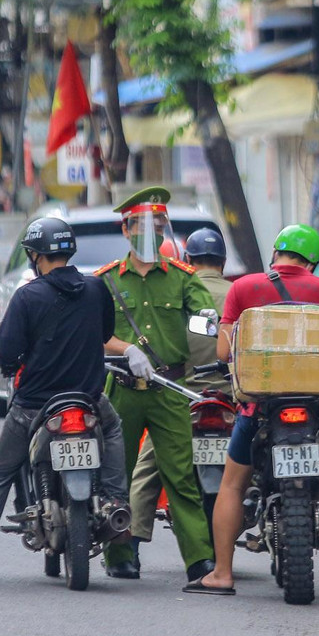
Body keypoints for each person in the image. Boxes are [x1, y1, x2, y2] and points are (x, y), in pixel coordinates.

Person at [186, 224, 319, 598]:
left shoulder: (245, 288)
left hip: (260, 407)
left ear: (276, 253)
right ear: (312, 260)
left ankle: (223, 573)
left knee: (231, 484)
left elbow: (224, 354)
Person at [0, 217, 128, 581]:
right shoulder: (97, 289)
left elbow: (10, 353)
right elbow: (105, 333)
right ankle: (114, 500)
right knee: (112, 431)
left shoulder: (28, 296)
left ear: (35, 256)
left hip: (34, 407)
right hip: (89, 401)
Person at [96, 186, 217, 583]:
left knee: (181, 476)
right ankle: (119, 553)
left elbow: (206, 313)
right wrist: (126, 348)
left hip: (169, 390)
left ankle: (199, 559)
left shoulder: (182, 278)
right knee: (118, 474)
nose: (150, 232)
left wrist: (210, 324)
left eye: (157, 224)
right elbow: (94, 331)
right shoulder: (108, 280)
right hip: (123, 390)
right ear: (125, 229)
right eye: (140, 225)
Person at [128, 227, 232, 556]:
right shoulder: (238, 294)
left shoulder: (180, 289)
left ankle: (132, 537)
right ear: (223, 263)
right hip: (233, 399)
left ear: (187, 260)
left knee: (148, 467)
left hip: (183, 396)